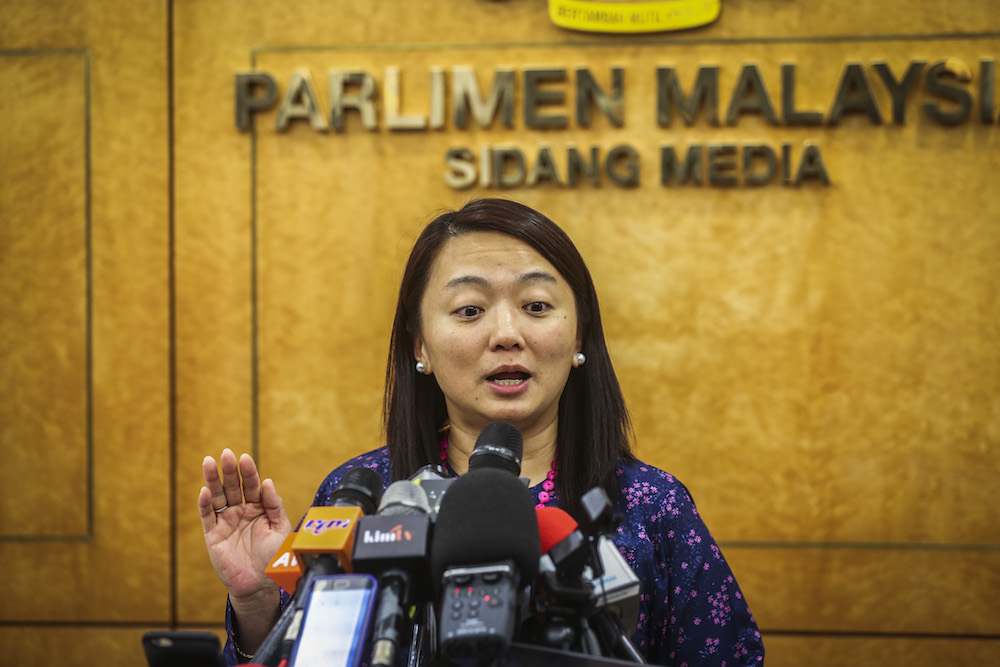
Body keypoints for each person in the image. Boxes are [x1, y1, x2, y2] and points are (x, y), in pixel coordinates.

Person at [199, 198, 765, 666]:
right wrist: (257, 603)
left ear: (579, 338)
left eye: (537, 305)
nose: (506, 333)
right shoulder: (362, 494)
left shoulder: (651, 507)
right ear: (419, 346)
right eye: (469, 310)